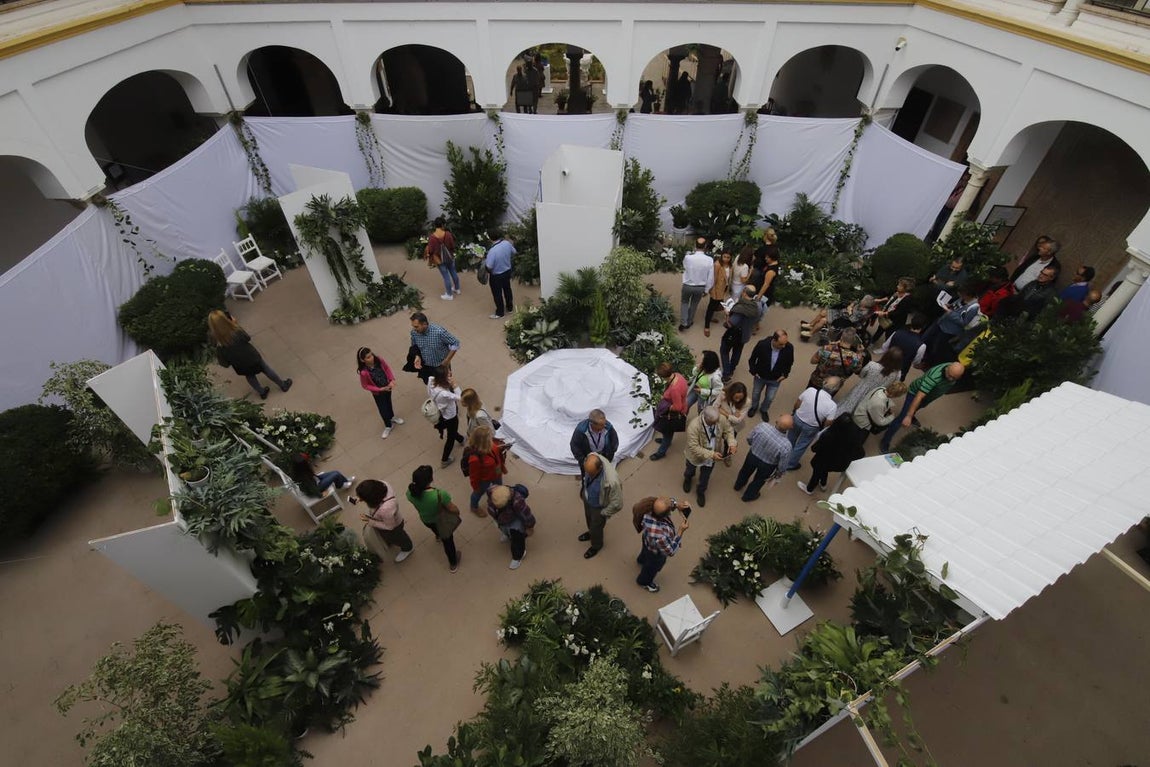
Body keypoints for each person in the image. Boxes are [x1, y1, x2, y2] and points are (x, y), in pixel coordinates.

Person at [879, 362, 965, 453]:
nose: (950, 379)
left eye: (954, 378)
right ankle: (885, 441)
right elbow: (919, 396)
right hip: (915, 394)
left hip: (927, 397)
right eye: (950, 376)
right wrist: (908, 416)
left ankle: (912, 413)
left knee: (916, 407)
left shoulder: (953, 369)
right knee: (902, 418)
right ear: (947, 368)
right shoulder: (934, 377)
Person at [208, 310, 292, 399]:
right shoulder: (235, 330)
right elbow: (247, 338)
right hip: (252, 357)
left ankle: (262, 392)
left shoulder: (213, 337)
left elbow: (219, 354)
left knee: (250, 376)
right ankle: (283, 385)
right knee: (266, 369)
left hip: (239, 364)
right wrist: (236, 324)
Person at [406, 465, 462, 572]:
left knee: (435, 529)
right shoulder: (439, 494)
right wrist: (457, 512)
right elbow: (452, 508)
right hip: (441, 521)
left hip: (426, 520)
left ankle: (438, 536)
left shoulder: (410, 493)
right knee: (448, 542)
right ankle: (453, 563)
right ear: (430, 479)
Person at [682, 406, 737, 508]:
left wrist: (732, 443)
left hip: (712, 456)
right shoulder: (693, 427)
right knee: (690, 469)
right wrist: (711, 454)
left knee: (705, 476)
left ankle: (700, 491)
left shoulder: (720, 419)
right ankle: (688, 479)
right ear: (705, 418)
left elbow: (728, 430)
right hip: (695, 456)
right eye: (713, 422)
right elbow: (694, 447)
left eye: (717, 420)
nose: (717, 423)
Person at [786, 375, 842, 472]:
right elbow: (828, 423)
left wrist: (795, 412)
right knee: (801, 445)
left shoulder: (810, 390)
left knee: (790, 438)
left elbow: (797, 403)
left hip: (798, 418)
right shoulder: (832, 406)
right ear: (836, 389)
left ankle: (783, 455)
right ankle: (790, 464)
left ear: (824, 382)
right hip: (812, 427)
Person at [921, 280, 982, 366]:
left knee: (936, 348)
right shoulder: (962, 299)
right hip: (942, 322)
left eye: (962, 294)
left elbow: (963, 322)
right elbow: (955, 306)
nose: (959, 295)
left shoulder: (973, 307)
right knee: (927, 338)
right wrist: (949, 306)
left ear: (968, 294)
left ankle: (927, 363)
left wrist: (950, 313)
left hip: (949, 331)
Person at [733, 414, 793, 502]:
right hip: (768, 465)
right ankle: (748, 496)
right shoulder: (786, 445)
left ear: (777, 420)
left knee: (745, 471)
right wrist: (779, 472)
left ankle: (738, 485)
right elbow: (782, 464)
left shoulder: (762, 426)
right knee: (759, 480)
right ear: (790, 428)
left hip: (752, 455)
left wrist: (753, 445)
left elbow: (749, 438)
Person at [635, 498, 689, 593]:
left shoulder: (649, 507)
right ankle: (644, 582)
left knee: (645, 552)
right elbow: (670, 551)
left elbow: (664, 502)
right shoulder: (659, 535)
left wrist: (677, 505)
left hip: (647, 541)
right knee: (651, 568)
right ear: (665, 514)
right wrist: (681, 531)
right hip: (656, 553)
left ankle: (641, 560)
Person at [355, 478, 413, 563]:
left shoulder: (386, 509)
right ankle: (392, 541)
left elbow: (390, 527)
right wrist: (362, 497)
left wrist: (371, 522)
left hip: (394, 528)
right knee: (391, 537)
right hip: (389, 519)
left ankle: (408, 548)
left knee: (399, 538)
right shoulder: (383, 485)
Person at [579, 453, 623, 559]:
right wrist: (583, 491)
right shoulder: (591, 456)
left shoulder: (612, 481)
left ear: (600, 468)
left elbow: (617, 504)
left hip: (598, 507)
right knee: (589, 519)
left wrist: (604, 512)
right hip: (588, 499)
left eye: (591, 473)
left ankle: (596, 545)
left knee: (596, 527)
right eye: (587, 472)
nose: (589, 475)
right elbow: (586, 479)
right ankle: (591, 533)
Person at [837, 347, 904, 416]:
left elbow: (861, 375)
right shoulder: (898, 374)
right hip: (876, 396)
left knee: (847, 406)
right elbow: (892, 386)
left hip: (860, 390)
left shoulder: (872, 365)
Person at [357, 346, 405, 439]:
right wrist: (379, 389)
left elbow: (387, 369)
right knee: (383, 409)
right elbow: (365, 385)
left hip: (387, 387)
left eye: (371, 355)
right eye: (368, 357)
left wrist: (391, 380)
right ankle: (388, 426)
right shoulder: (364, 372)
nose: (372, 358)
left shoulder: (379, 360)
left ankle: (392, 417)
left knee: (388, 403)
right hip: (378, 393)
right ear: (363, 360)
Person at [746, 329, 793, 419]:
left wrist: (785, 375)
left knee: (770, 397)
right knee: (756, 394)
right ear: (774, 340)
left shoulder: (789, 348)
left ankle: (764, 410)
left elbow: (789, 362)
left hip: (775, 379)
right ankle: (754, 407)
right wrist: (753, 371)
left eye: (785, 343)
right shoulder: (762, 345)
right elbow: (752, 359)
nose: (783, 346)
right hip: (760, 377)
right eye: (781, 344)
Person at [487, 484, 536, 570]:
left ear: (509, 499)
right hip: (501, 519)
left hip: (513, 521)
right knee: (503, 528)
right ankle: (507, 534)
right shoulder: (493, 491)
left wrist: (530, 527)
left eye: (500, 506)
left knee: (517, 538)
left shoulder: (517, 502)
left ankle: (518, 556)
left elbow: (526, 515)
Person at [650, 362, 689, 461]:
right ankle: (665, 440)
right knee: (667, 433)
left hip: (672, 415)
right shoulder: (677, 375)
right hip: (683, 404)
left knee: (667, 432)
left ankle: (661, 452)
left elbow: (678, 407)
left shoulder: (674, 389)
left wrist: (666, 406)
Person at [719, 285, 760, 378]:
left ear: (744, 293)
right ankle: (732, 368)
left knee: (724, 351)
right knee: (737, 351)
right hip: (745, 334)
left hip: (734, 334)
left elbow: (730, 324)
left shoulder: (741, 309)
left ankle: (727, 373)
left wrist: (727, 314)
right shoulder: (756, 306)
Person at [427, 367, 465, 467]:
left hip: (441, 413)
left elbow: (429, 392)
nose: (450, 374)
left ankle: (461, 439)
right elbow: (461, 397)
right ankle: (445, 459)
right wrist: (455, 385)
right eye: (448, 374)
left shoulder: (431, 380)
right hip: (450, 416)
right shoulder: (444, 393)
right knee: (450, 437)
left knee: (452, 430)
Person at [409, 312, 460, 383]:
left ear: (424, 324)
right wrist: (417, 356)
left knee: (445, 383)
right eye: (413, 326)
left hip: (440, 366)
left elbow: (455, 343)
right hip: (426, 366)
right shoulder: (414, 333)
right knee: (430, 383)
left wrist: (447, 360)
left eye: (416, 326)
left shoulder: (439, 332)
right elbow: (414, 345)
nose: (414, 329)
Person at [465, 425, 505, 515]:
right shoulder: (475, 459)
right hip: (485, 479)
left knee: (499, 487)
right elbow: (474, 476)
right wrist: (476, 488)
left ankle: (497, 500)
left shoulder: (492, 445)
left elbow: (497, 454)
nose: (492, 437)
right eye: (489, 437)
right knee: (478, 493)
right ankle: (474, 507)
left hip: (496, 473)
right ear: (484, 442)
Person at [877, 313, 927, 381]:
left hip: (885, 364)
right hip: (900, 371)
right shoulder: (921, 346)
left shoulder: (897, 332)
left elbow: (884, 347)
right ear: (924, 327)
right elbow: (916, 362)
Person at [679, 237, 714, 331]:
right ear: (705, 246)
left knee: (684, 302)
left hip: (688, 285)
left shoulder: (688, 257)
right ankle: (689, 321)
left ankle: (683, 322)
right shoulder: (709, 260)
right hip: (700, 287)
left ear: (695, 245)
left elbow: (684, 267)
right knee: (694, 304)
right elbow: (710, 277)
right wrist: (707, 290)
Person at [870, 277, 915, 344]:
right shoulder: (898, 293)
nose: (897, 286)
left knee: (889, 334)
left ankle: (886, 347)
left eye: (900, 285)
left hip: (894, 321)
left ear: (906, 289)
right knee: (881, 328)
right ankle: (873, 341)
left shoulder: (907, 300)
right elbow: (890, 297)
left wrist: (884, 313)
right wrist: (880, 300)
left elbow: (898, 313)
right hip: (886, 316)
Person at [289, 452, 354, 497]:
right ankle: (342, 484)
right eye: (306, 461)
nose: (308, 461)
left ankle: (343, 482)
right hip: (317, 487)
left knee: (336, 473)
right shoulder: (304, 477)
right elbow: (312, 488)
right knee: (336, 474)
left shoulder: (297, 470)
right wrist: (320, 495)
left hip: (315, 479)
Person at [426, 216, 461, 300]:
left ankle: (449, 295)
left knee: (446, 276)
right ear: (442, 225)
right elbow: (452, 246)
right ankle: (457, 289)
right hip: (450, 257)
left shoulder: (432, 237)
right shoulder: (448, 234)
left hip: (439, 259)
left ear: (435, 225)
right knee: (453, 272)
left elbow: (431, 250)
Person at [752, 229, 780, 332]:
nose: (765, 259)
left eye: (767, 258)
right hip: (766, 289)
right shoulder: (773, 262)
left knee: (758, 310)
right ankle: (756, 325)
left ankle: (755, 326)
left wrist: (758, 297)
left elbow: (766, 284)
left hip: (765, 293)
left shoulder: (770, 271)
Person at [485, 230, 516, 319]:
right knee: (507, 289)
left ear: (490, 238)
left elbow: (489, 266)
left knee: (497, 294)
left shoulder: (492, 251)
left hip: (496, 275)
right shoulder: (507, 243)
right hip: (507, 271)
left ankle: (500, 313)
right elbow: (514, 252)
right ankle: (510, 307)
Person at [703, 249, 732, 337]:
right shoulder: (717, 265)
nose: (726, 259)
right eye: (724, 257)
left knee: (716, 305)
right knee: (711, 306)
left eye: (728, 257)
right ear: (721, 256)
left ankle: (711, 318)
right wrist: (712, 291)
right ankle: (706, 326)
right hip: (716, 289)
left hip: (723, 288)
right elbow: (713, 279)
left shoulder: (730, 266)